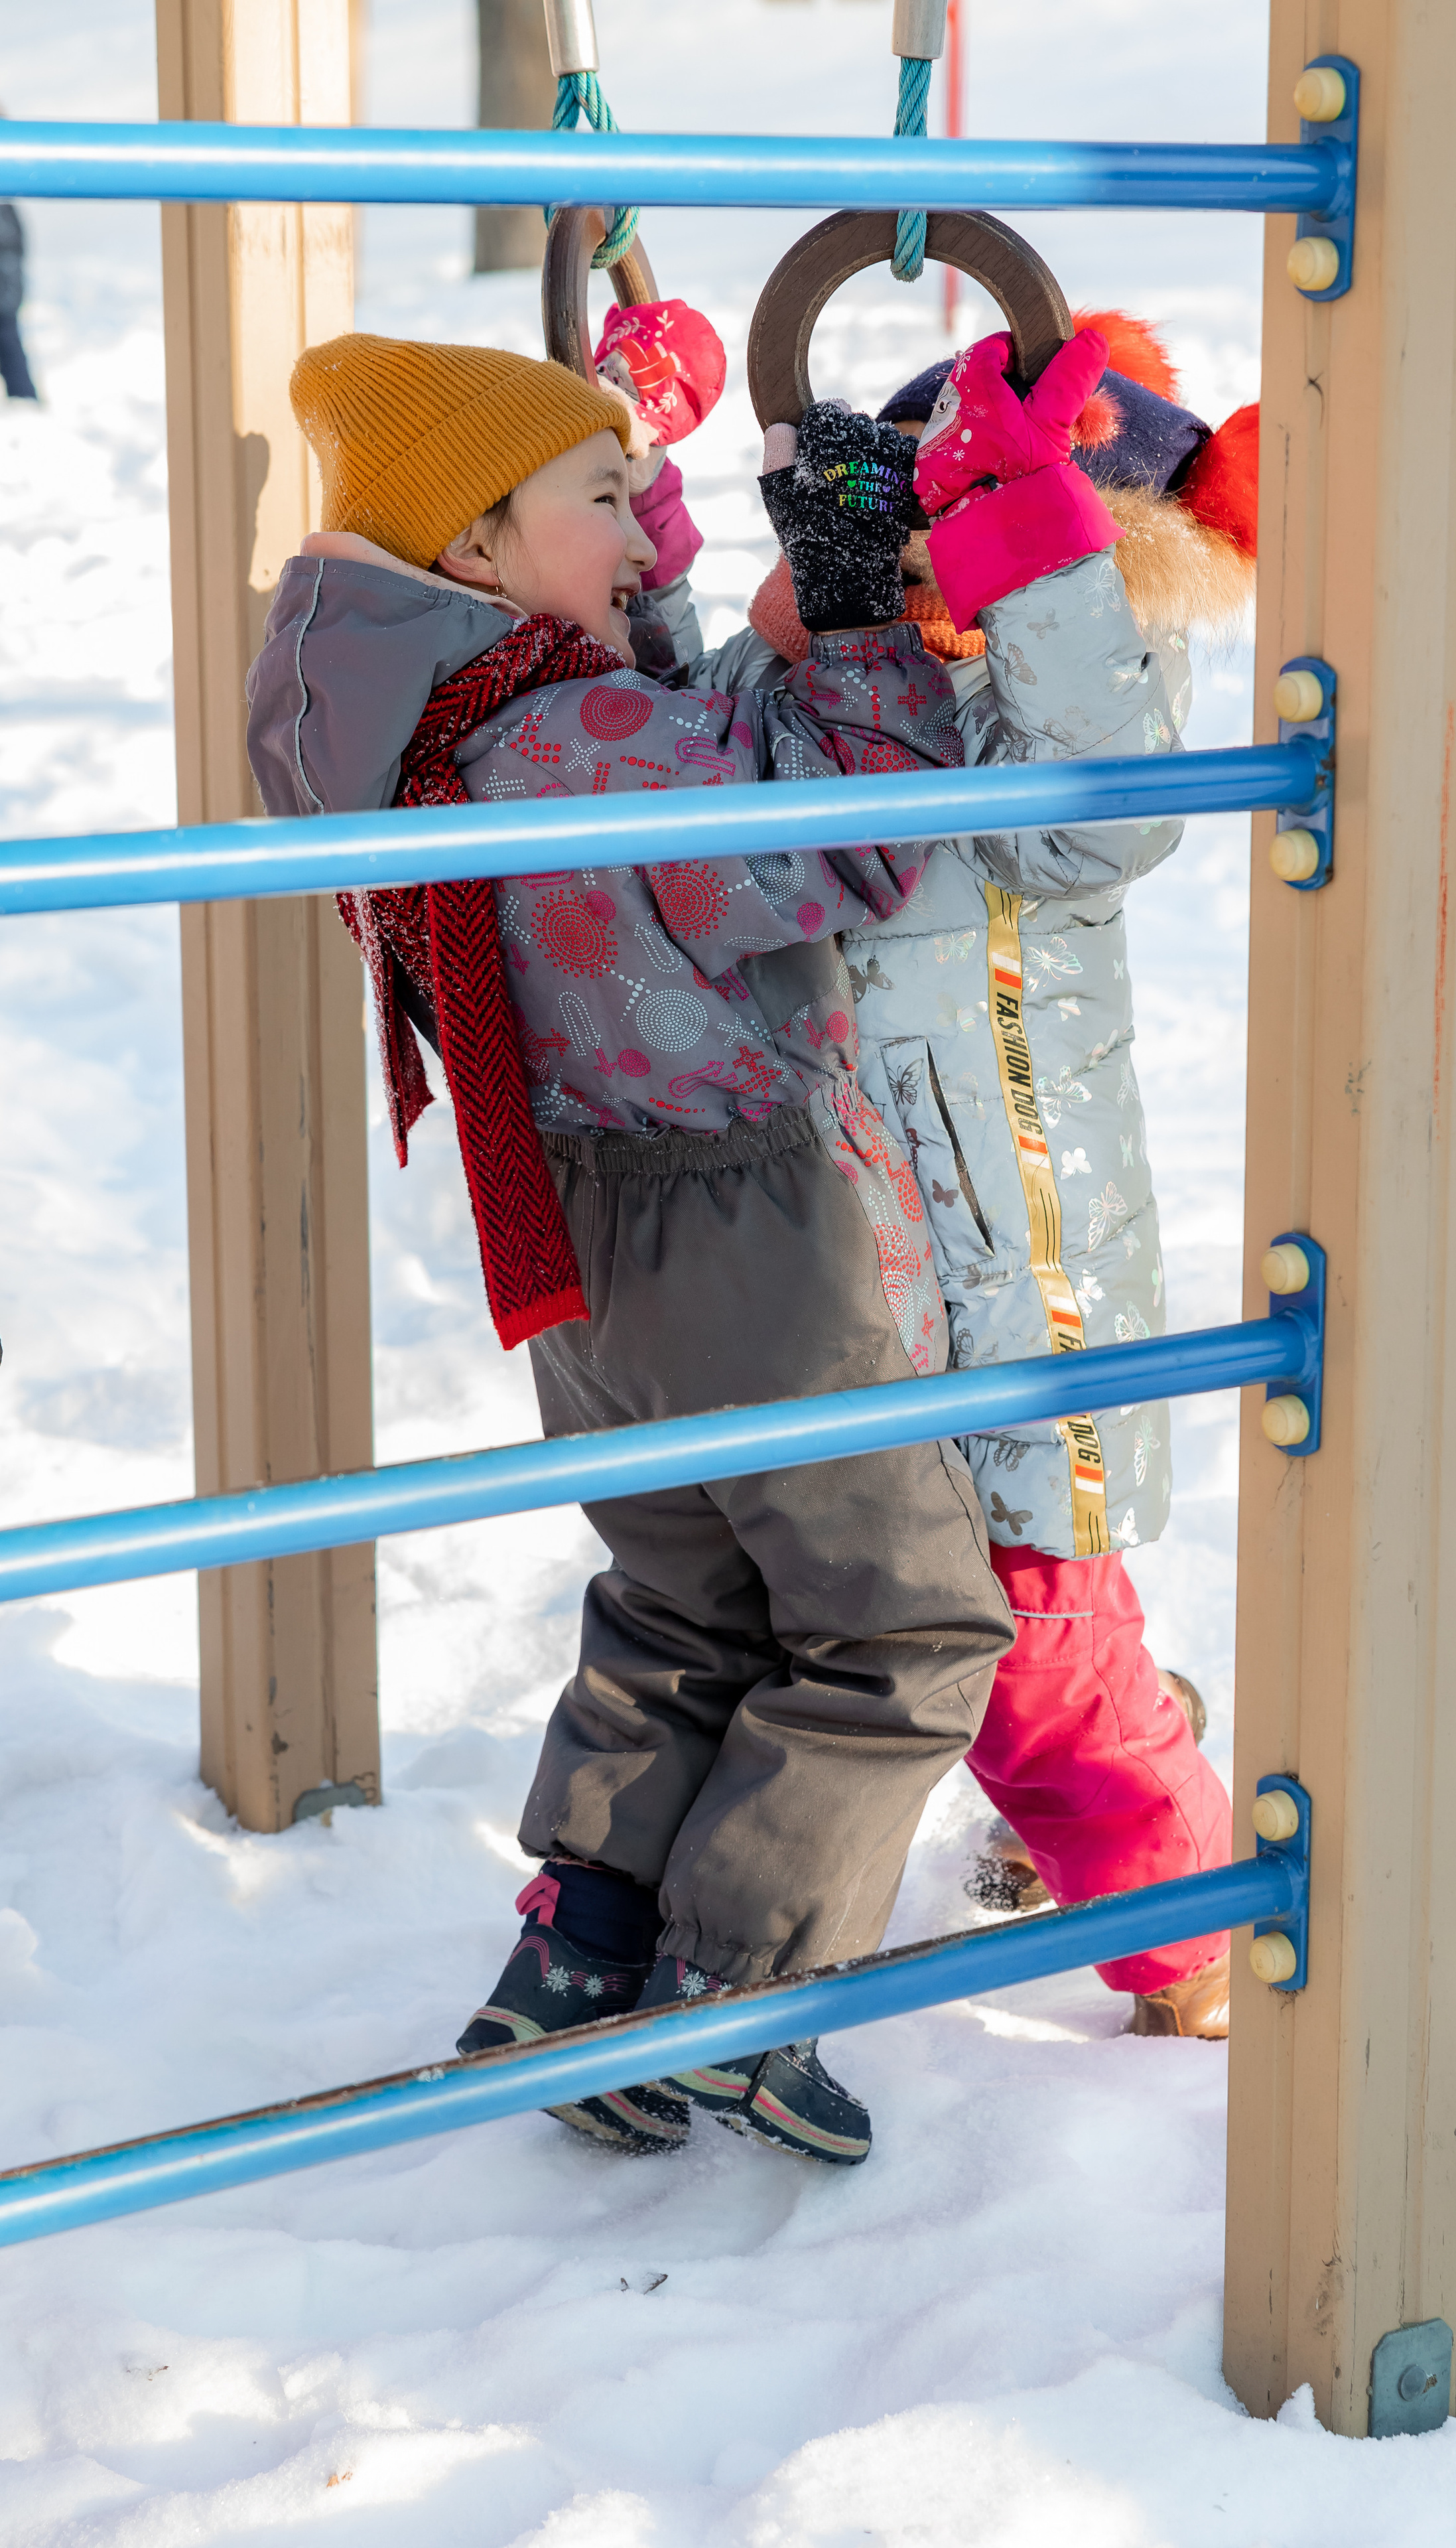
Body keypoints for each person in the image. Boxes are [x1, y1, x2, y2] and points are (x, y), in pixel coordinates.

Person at [245, 324, 1139, 2163]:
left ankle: (576, 1967)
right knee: (903, 1620)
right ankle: (744, 1997)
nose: (651, 547)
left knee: (685, 1603)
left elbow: (624, 704)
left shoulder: (406, 724)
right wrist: (856, 606)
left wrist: (613, 465)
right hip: (747, 1230)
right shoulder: (580, 744)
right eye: (604, 507)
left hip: (570, 1246)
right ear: (479, 552)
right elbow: (847, 838)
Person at [639, 303, 1256, 2038]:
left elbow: (1102, 814)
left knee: (1040, 1645)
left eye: (971, 539)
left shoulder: (1082, 719)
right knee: (889, 1611)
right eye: (913, 533)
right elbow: (694, 761)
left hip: (1019, 1266)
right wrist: (677, 531)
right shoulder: (857, 683)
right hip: (841, 1253)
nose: (929, 586)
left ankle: (1193, 1940)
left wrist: (1033, 565)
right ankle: (1124, 1767)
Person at [0, 197, 40, 402]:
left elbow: (14, 248)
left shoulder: (5, 208)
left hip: (5, 296)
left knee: (10, 348)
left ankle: (25, 400)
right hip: (8, 293)